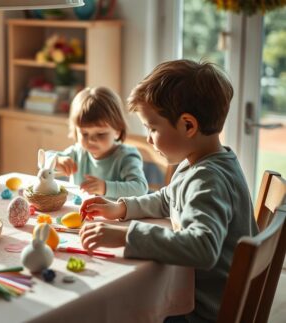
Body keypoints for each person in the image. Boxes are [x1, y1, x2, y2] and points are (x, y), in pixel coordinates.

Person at [78, 59, 257, 322]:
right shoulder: (204, 161)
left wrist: (126, 235)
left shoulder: (208, 180)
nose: (148, 138)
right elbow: (169, 198)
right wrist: (122, 208)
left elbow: (202, 247)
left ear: (188, 125)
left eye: (152, 128)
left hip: (201, 311)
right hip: (204, 296)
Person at [52, 87, 148, 198]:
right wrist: (56, 161)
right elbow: (43, 161)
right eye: (84, 134)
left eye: (101, 134)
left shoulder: (126, 156)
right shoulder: (78, 152)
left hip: (116, 214)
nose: (91, 140)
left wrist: (105, 187)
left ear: (117, 130)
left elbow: (140, 188)